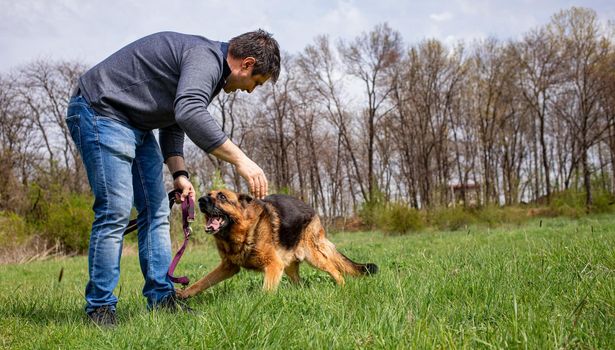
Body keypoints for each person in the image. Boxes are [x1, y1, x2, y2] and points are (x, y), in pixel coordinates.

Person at [65, 30, 280, 326]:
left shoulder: (209, 71)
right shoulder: (205, 58)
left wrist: (179, 173)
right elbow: (189, 111)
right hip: (101, 111)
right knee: (114, 212)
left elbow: (176, 120)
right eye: (256, 82)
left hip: (135, 124)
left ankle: (161, 298)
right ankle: (100, 309)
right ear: (247, 63)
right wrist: (242, 160)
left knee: (156, 212)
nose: (251, 90)